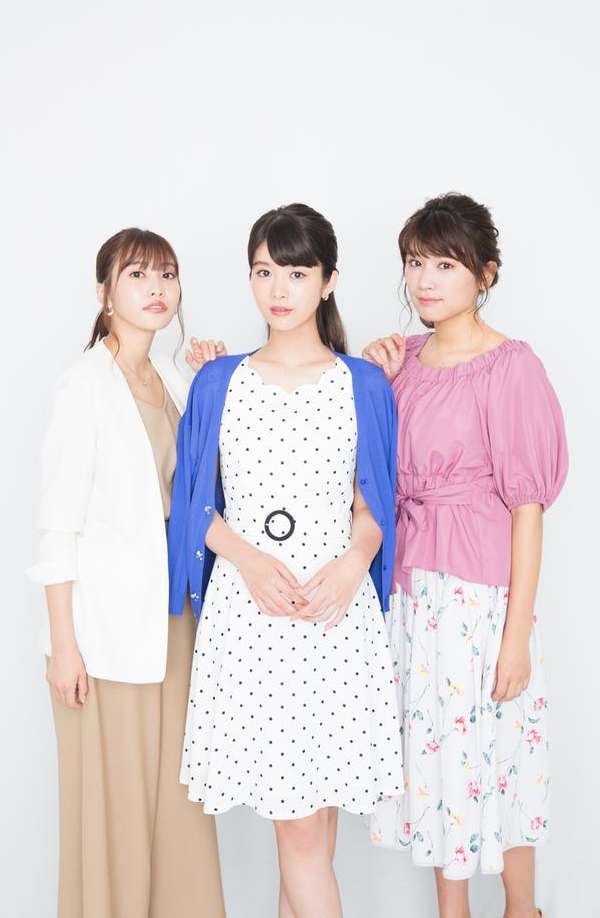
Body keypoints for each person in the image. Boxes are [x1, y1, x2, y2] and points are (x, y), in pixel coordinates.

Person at [167, 203, 403, 918]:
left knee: (314, 830)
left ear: (328, 281)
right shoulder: (218, 381)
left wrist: (354, 560)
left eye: (297, 273)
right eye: (264, 271)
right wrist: (247, 559)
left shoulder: (363, 382)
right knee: (300, 831)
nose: (278, 289)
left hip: (335, 617)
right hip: (254, 619)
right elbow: (190, 505)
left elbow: (375, 500)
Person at [362, 193, 568, 918]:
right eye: (415, 262)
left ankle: (521, 910)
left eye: (445, 264)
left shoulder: (510, 367)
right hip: (411, 596)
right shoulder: (403, 361)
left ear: (484, 274)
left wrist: (515, 637)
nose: (425, 279)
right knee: (435, 766)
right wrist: (374, 380)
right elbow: (365, 475)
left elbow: (527, 509)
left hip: (480, 600)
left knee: (502, 757)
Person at [27, 228, 225, 918]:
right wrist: (64, 646)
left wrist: (211, 381)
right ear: (104, 293)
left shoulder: (174, 378)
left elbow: (210, 489)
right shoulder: (83, 387)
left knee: (177, 804)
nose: (156, 288)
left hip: (175, 623)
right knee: (112, 806)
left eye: (166, 274)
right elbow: (58, 526)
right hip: (105, 637)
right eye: (137, 274)